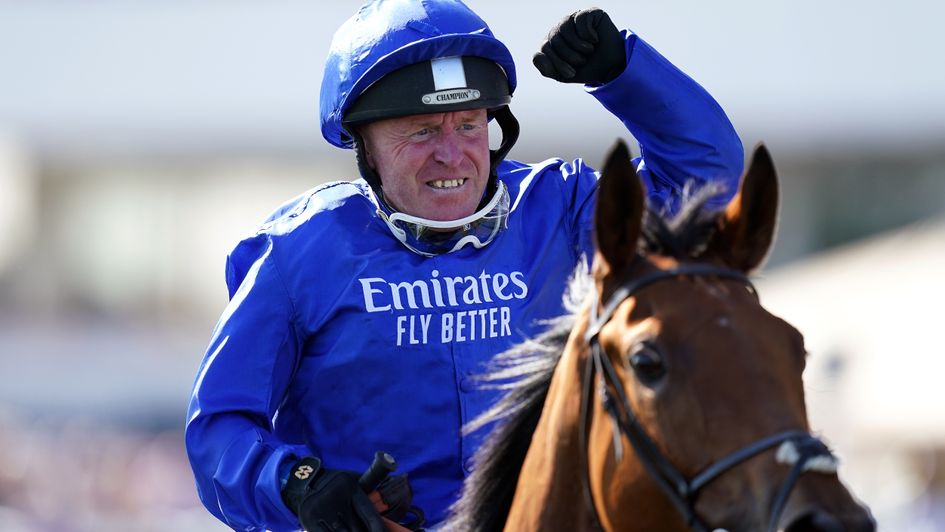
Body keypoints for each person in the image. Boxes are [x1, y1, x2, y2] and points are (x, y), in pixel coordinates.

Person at [184, 1, 745, 530]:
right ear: (365, 146)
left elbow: (710, 180)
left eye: (469, 125)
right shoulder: (296, 252)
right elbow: (218, 429)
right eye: (422, 131)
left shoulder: (563, 209)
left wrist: (625, 74)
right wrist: (299, 487)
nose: (451, 155)